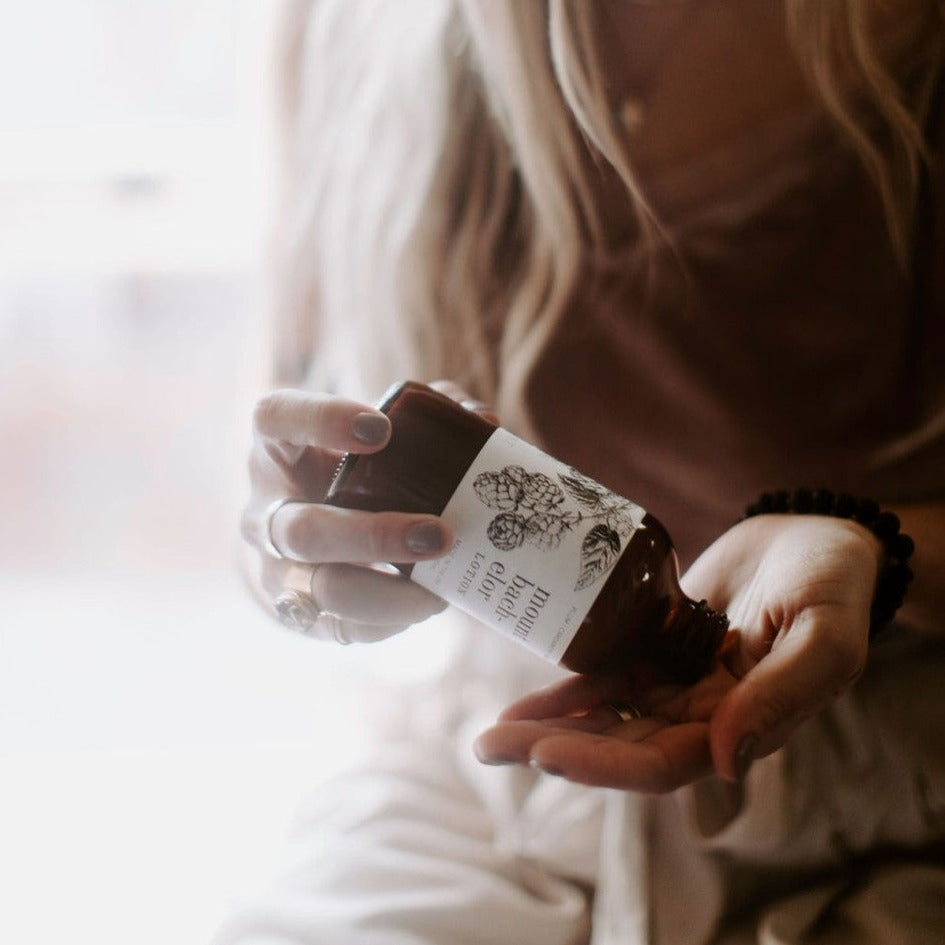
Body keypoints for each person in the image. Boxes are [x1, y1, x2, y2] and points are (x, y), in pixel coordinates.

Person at [220, 1, 945, 943]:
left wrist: (870, 548)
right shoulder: (351, 24)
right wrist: (301, 562)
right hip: (506, 782)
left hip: (891, 788)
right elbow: (282, 476)